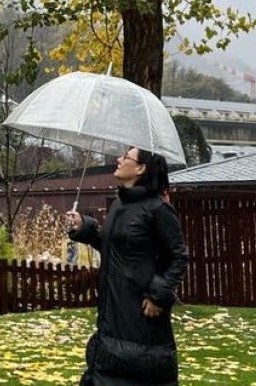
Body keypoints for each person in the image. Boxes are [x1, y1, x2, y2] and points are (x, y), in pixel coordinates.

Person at [66, 147, 189, 386]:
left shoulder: (158, 209)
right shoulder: (119, 205)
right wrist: (85, 228)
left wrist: (158, 295)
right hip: (113, 307)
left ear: (141, 168)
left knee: (136, 374)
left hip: (141, 312)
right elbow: (113, 248)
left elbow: (178, 256)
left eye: (126, 157)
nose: (119, 159)